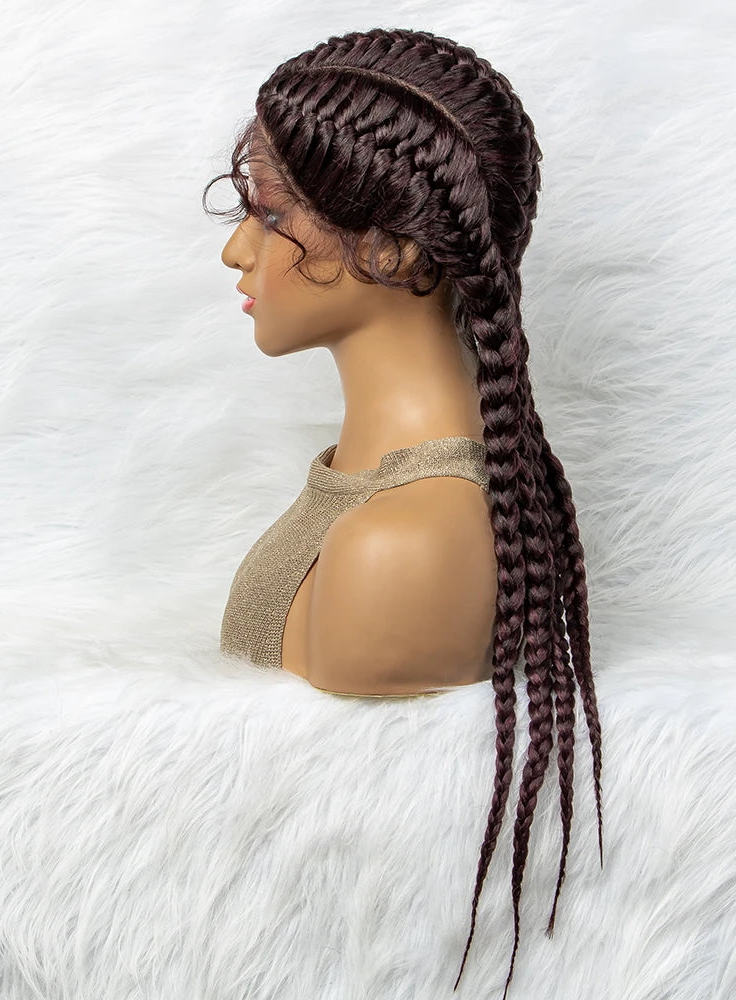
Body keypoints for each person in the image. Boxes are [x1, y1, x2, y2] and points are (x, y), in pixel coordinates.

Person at [201, 27, 604, 999]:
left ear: (391, 246)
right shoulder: (370, 489)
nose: (235, 249)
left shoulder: (406, 542)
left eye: (269, 213)